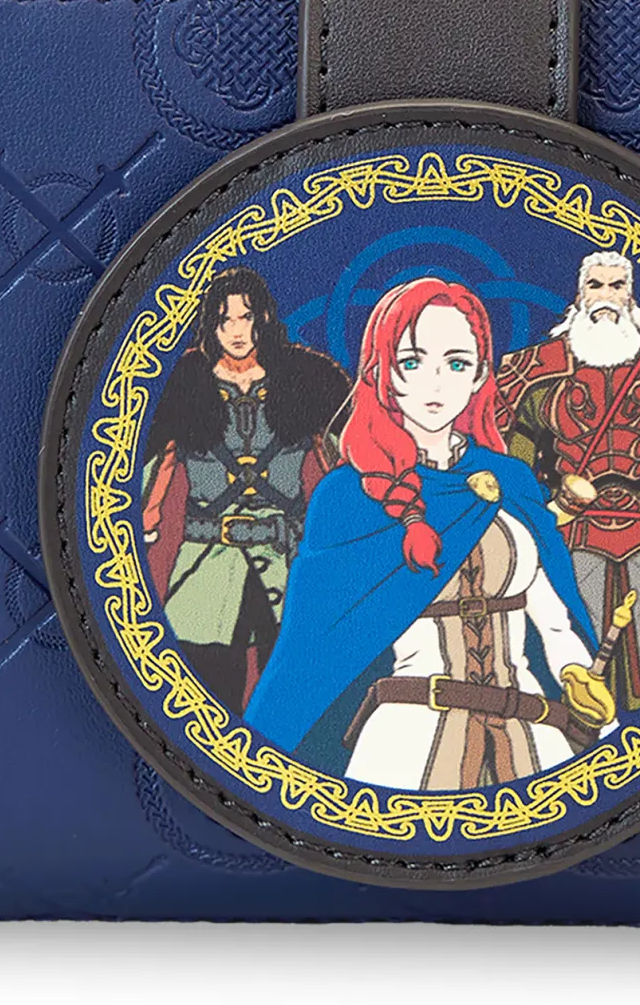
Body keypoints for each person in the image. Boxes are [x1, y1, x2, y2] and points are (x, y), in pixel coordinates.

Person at [244, 277, 614, 790]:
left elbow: (552, 620)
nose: (435, 385)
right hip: (408, 737)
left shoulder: (511, 482)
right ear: (382, 371)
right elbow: (313, 647)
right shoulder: (347, 497)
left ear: (481, 374)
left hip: (530, 727)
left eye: (457, 364)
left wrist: (575, 673)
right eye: (412, 362)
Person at [496, 250, 640, 714]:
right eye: (596, 285)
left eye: (616, 286)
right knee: (568, 662)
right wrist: (519, 518)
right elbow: (513, 461)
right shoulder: (538, 370)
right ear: (580, 294)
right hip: (572, 533)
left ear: (631, 294)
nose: (606, 296)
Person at [140, 267, 349, 714]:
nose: (236, 331)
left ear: (263, 319)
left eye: (245, 317)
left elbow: (343, 465)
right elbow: (158, 462)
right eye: (225, 320)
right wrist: (145, 514)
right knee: (206, 698)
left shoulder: (306, 379)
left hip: (288, 568)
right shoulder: (184, 384)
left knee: (291, 701)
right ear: (211, 326)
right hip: (207, 569)